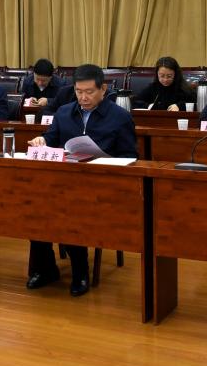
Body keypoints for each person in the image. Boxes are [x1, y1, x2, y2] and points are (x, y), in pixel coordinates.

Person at [25, 64, 137, 297]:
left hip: (101, 186)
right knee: (36, 206)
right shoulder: (64, 112)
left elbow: (130, 157)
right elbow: (50, 139)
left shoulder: (120, 117)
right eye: (78, 91)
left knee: (70, 207)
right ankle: (45, 268)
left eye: (89, 92)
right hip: (64, 182)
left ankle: (80, 271)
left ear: (103, 89)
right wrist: (41, 141)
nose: (83, 97)